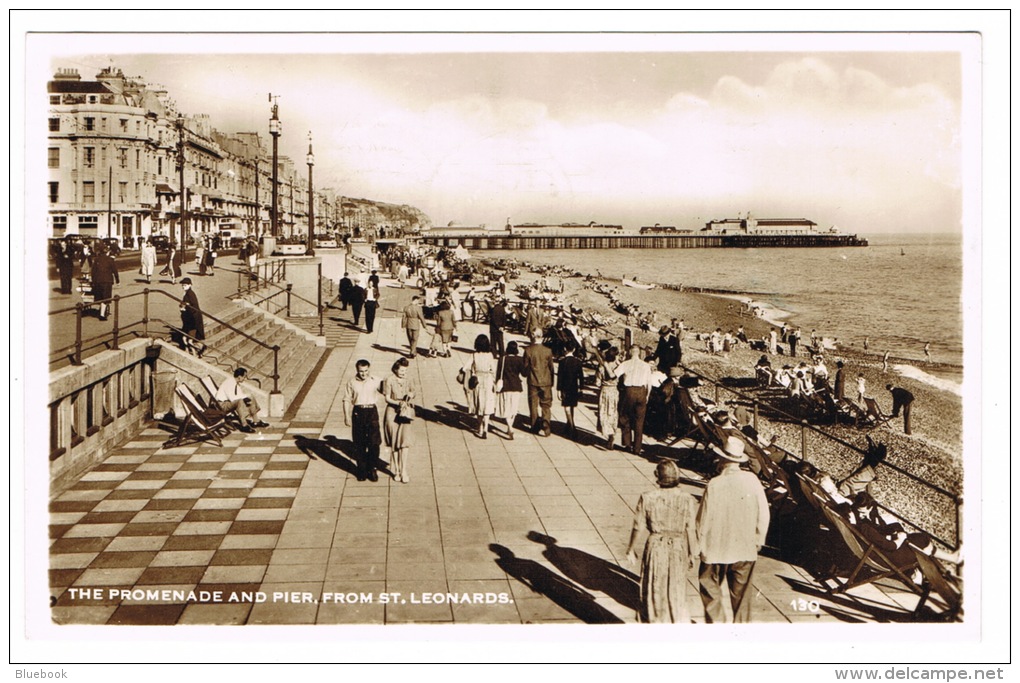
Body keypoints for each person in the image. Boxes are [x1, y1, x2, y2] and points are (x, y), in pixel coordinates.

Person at [696, 436, 771, 623]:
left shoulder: (714, 484)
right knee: (742, 599)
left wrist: (698, 545)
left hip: (715, 549)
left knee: (710, 592)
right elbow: (764, 514)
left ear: (722, 460)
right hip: (744, 548)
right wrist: (759, 539)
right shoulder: (752, 481)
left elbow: (702, 519)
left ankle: (717, 628)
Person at [626, 460, 699, 623]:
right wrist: (692, 553)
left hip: (656, 545)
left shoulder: (647, 497)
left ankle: (654, 620)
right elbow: (691, 528)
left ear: (658, 477)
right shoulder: (687, 499)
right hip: (679, 546)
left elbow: (638, 526)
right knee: (676, 586)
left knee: (654, 585)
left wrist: (631, 548)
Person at [614, 344, 661, 456]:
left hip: (629, 391)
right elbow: (649, 383)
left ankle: (627, 443)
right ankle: (637, 448)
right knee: (639, 420)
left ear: (630, 352)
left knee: (625, 416)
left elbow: (614, 374)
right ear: (639, 353)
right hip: (641, 391)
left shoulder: (625, 364)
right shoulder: (645, 366)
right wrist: (647, 396)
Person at [342, 359, 384, 482]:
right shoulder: (351, 382)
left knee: (374, 443)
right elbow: (346, 399)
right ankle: (361, 470)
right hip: (358, 412)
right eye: (361, 371)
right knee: (359, 443)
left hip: (371, 411)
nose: (364, 374)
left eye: (366, 371)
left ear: (369, 369)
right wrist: (346, 416)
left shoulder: (375, 380)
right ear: (357, 370)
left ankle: (372, 469)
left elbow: (388, 390)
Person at [382, 357, 417, 483]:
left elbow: (413, 391)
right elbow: (387, 398)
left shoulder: (409, 379)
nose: (404, 373)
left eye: (405, 371)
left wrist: (410, 395)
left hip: (405, 412)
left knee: (404, 442)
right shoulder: (389, 380)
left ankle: (404, 470)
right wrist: (398, 403)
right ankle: (396, 470)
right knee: (394, 442)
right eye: (402, 370)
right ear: (396, 369)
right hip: (392, 412)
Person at [214, 367, 269, 433]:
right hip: (222, 405)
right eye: (244, 376)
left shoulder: (236, 383)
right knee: (239, 401)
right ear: (239, 377)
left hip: (228, 402)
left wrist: (248, 397)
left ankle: (256, 421)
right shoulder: (229, 383)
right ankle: (244, 425)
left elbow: (240, 395)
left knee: (250, 396)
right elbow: (233, 398)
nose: (245, 379)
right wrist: (244, 398)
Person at [464, 334, 498, 438]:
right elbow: (493, 370)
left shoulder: (474, 355)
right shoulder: (490, 355)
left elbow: (465, 367)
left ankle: (480, 428)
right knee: (487, 406)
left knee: (478, 404)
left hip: (477, 380)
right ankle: (486, 428)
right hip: (488, 381)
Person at [523, 330, 555, 436]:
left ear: (533, 336)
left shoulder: (528, 350)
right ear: (541, 337)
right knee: (546, 404)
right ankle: (546, 424)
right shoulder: (548, 351)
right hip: (546, 381)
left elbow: (525, 367)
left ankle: (534, 426)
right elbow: (551, 368)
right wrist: (552, 381)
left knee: (533, 405)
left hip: (533, 381)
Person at [496, 341, 527, 440]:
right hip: (516, 386)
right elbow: (524, 374)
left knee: (506, 408)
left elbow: (498, 374)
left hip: (505, 386)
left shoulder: (502, 359)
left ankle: (509, 427)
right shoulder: (519, 359)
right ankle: (510, 426)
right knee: (514, 408)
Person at [556, 343, 584, 440]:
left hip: (565, 388)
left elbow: (560, 377)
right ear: (574, 349)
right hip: (574, 387)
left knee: (566, 407)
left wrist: (558, 389)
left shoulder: (562, 362)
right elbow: (581, 376)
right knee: (571, 406)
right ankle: (569, 424)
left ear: (564, 348)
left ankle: (572, 427)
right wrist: (581, 387)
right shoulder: (578, 362)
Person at [90, 242, 119, 321]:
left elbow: (93, 272)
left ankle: (101, 311)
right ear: (107, 252)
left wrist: (93, 281)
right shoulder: (110, 260)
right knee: (105, 298)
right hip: (107, 281)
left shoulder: (96, 260)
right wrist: (117, 280)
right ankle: (102, 315)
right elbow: (115, 271)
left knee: (101, 298)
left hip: (98, 281)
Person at [178, 277, 206, 356]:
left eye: (185, 285)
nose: (183, 286)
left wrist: (185, 307)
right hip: (189, 319)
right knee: (185, 338)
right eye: (183, 285)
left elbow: (193, 306)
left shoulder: (190, 294)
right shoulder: (187, 293)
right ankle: (189, 352)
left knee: (189, 339)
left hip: (192, 319)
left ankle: (196, 352)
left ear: (190, 285)